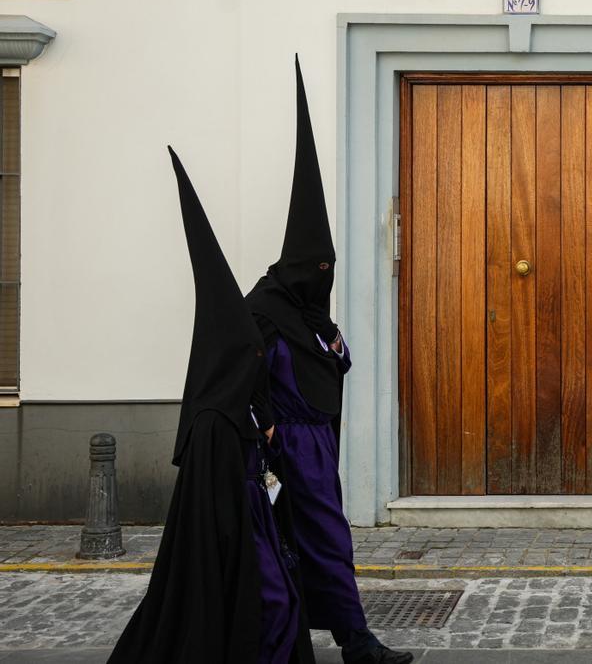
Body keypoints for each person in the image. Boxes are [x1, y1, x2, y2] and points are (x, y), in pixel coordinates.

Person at [109, 148, 314, 664]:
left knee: (283, 601)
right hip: (237, 536)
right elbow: (210, 518)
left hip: (257, 525)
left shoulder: (244, 408)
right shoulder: (212, 423)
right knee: (272, 602)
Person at [245, 58, 413, 664]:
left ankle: (348, 638)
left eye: (329, 271)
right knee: (297, 544)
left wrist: (336, 346)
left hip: (319, 445)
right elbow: (244, 375)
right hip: (284, 447)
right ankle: (342, 640)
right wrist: (265, 427)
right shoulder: (264, 309)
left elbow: (333, 361)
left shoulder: (312, 313)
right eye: (316, 270)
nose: (323, 280)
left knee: (323, 542)